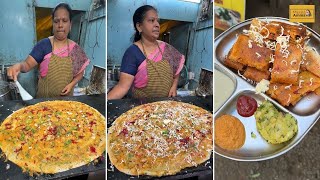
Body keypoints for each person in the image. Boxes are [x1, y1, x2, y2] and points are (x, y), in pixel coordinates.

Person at [7, 3, 90, 98]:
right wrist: (19, 66)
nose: (60, 25)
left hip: (66, 105)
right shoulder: (44, 45)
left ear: (70, 24)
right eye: (56, 21)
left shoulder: (75, 48)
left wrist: (72, 84)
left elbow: (80, 73)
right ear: (53, 24)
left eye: (65, 21)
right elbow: (27, 65)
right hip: (43, 105)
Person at [107, 5, 185, 100]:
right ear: (139, 26)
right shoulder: (133, 52)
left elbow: (178, 68)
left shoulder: (167, 48)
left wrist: (174, 86)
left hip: (165, 105)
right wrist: (106, 103)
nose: (157, 24)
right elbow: (122, 87)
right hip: (142, 108)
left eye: (157, 21)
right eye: (151, 21)